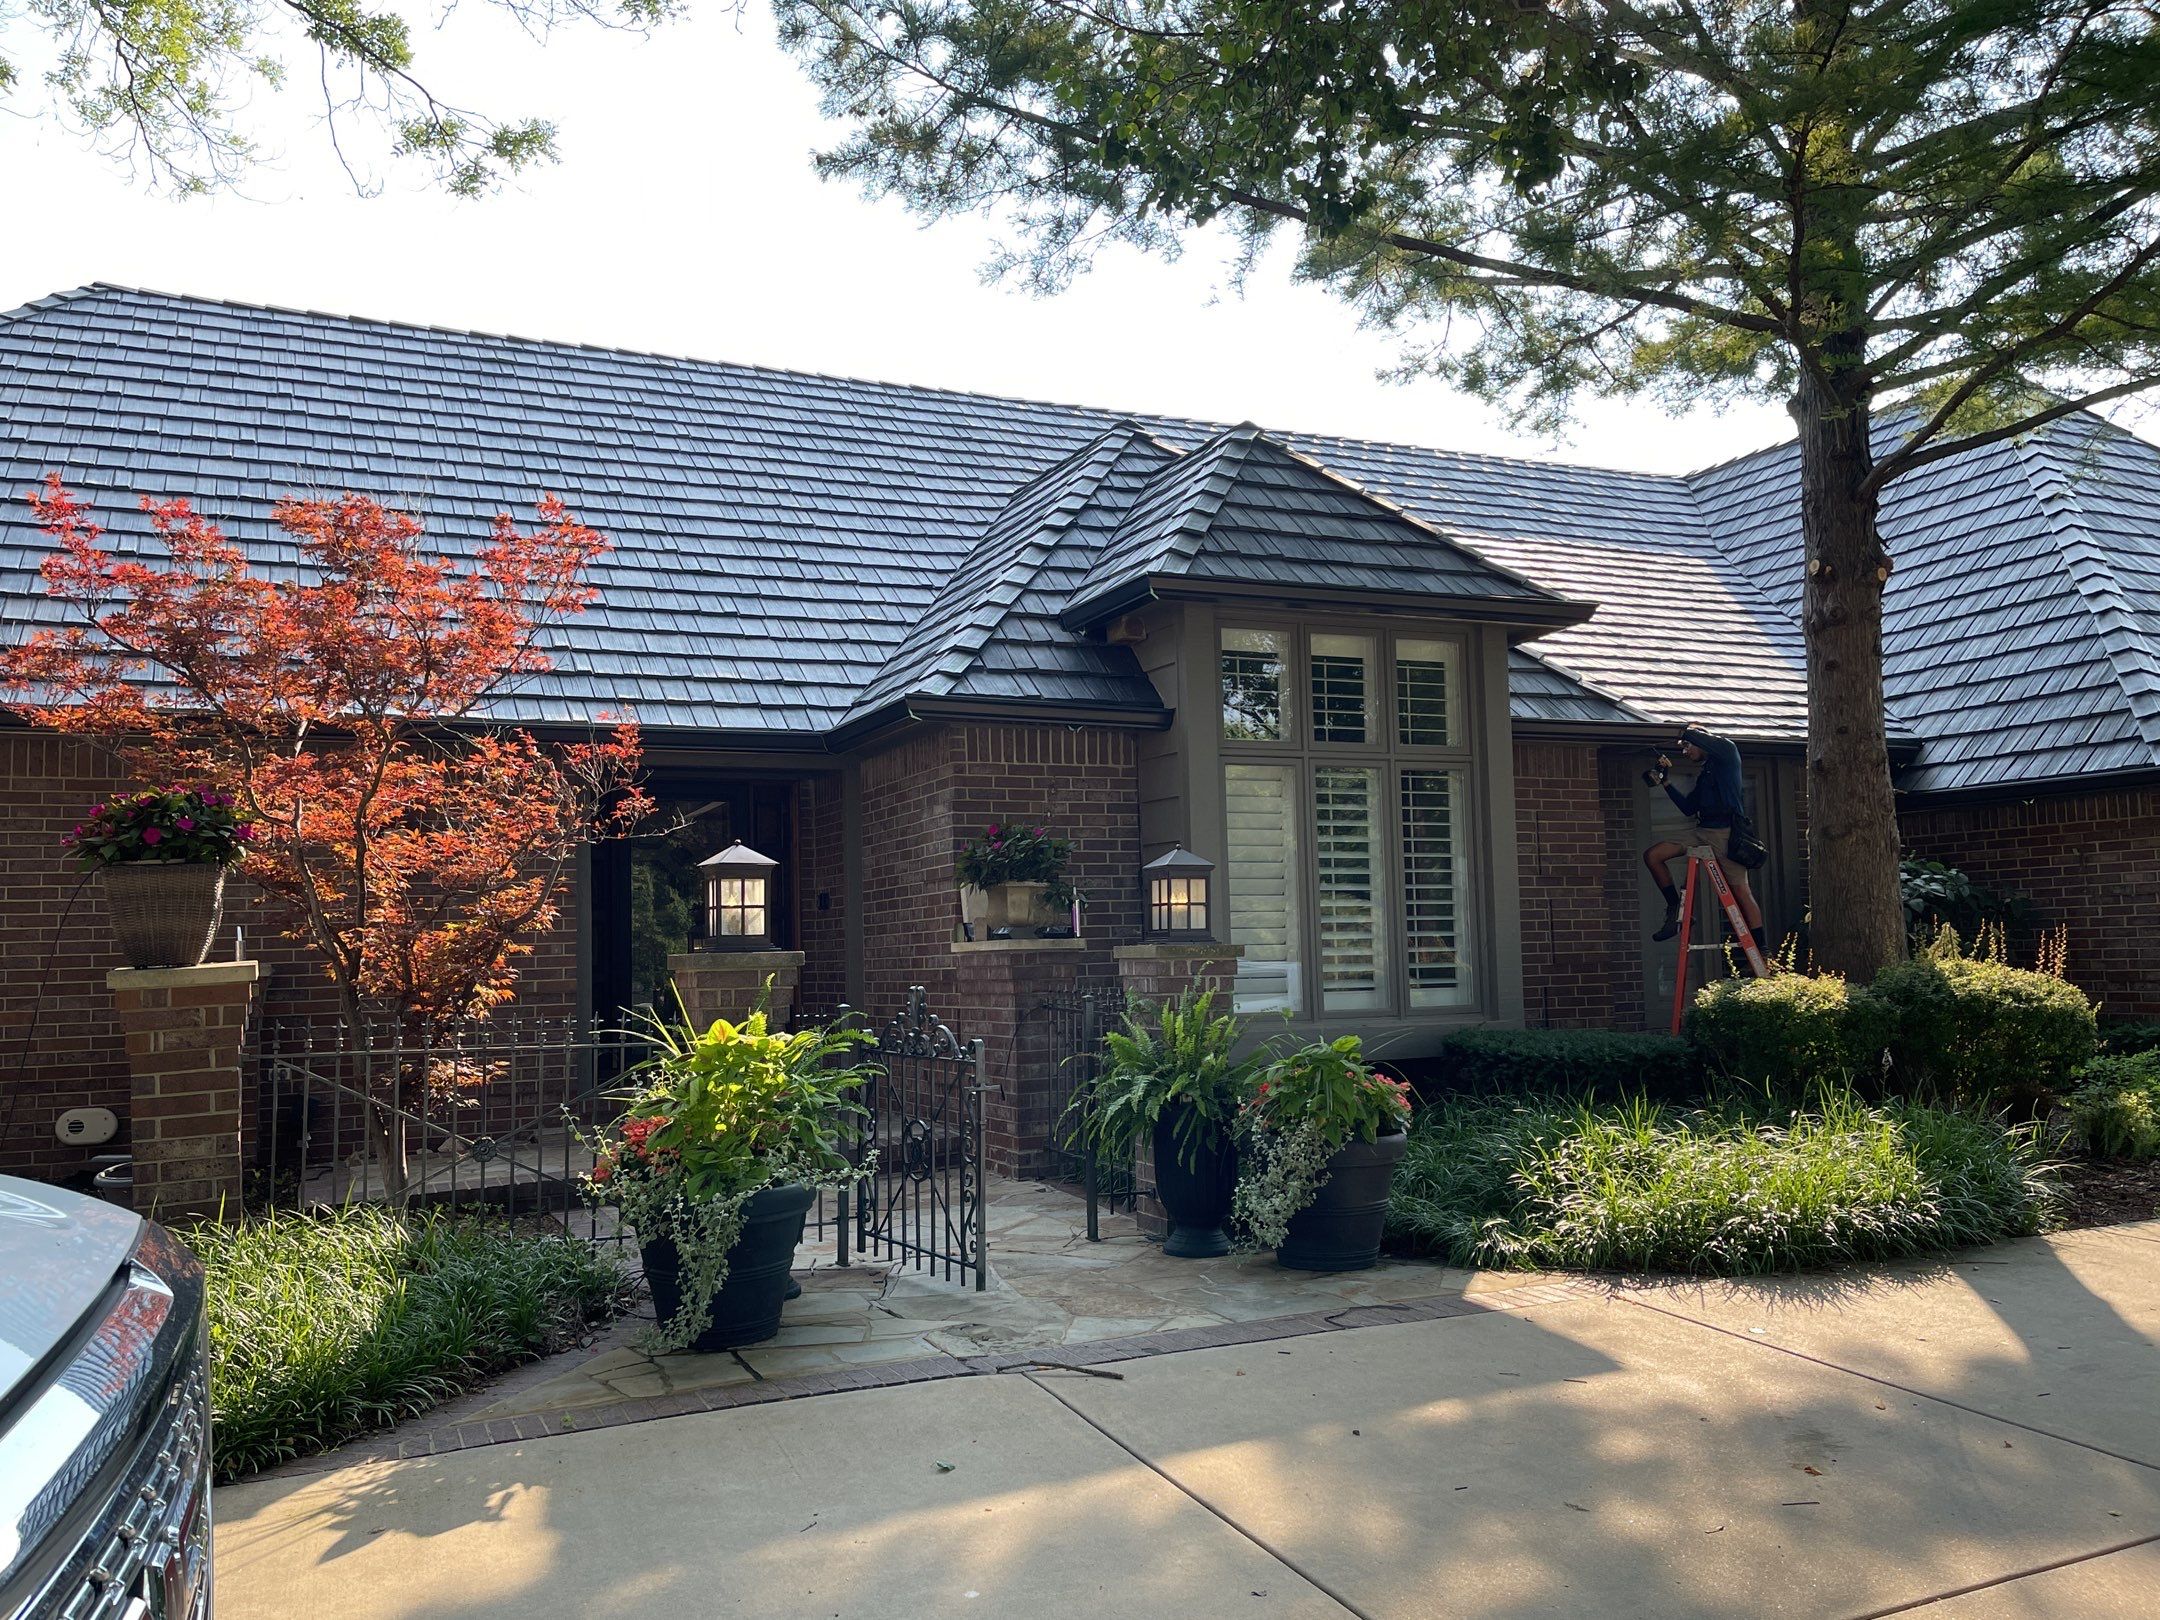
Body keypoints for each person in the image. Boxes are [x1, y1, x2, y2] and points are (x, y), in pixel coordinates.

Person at [1641, 724, 1765, 945]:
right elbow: (1689, 808)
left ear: (1701, 741)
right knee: (1653, 856)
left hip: (1725, 834)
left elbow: (1694, 734)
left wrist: (1677, 730)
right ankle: (1675, 909)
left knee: (1741, 893)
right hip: (1701, 832)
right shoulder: (1705, 774)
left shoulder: (1727, 752)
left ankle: (1761, 948)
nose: (1684, 752)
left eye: (1687, 746)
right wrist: (1665, 782)